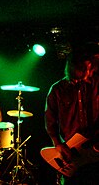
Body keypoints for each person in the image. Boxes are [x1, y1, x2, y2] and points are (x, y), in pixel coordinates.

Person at [44, 42, 99, 185]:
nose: (78, 81)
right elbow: (50, 121)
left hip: (94, 149)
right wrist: (58, 144)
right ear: (70, 68)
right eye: (75, 78)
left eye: (87, 70)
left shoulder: (95, 85)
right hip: (71, 151)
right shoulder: (56, 90)